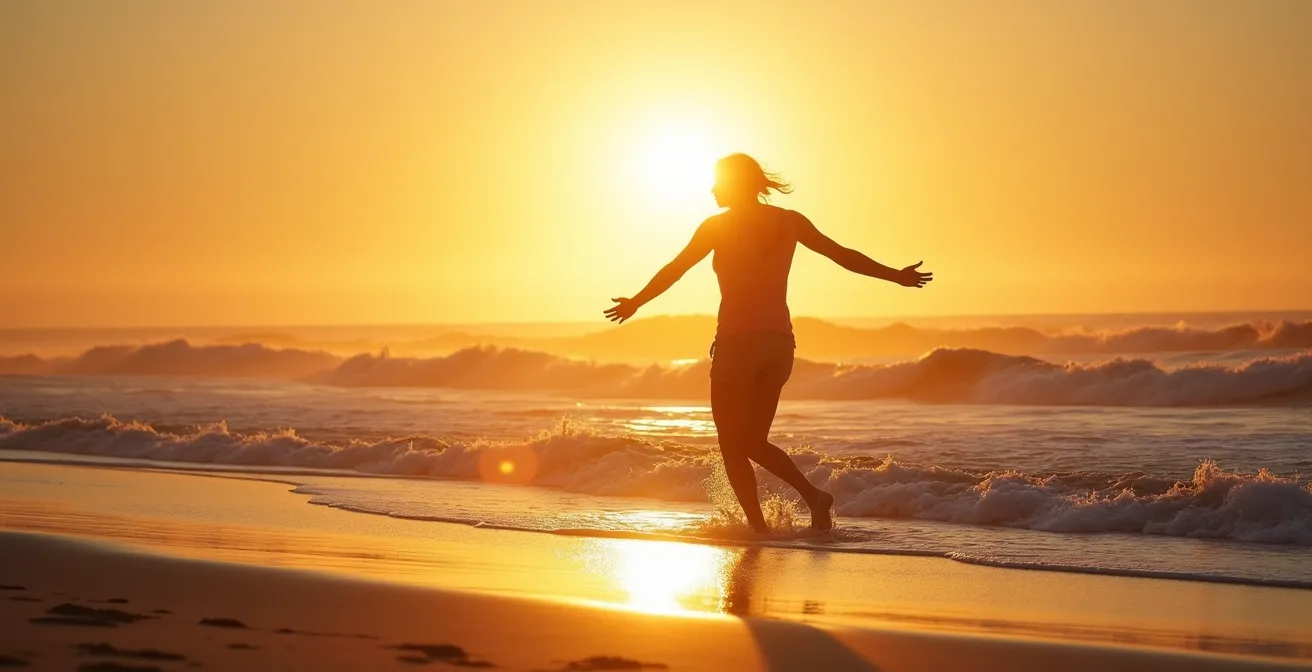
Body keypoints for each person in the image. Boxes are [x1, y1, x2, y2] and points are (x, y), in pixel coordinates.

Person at [604, 154, 933, 532]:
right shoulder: (789, 221)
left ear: (736, 184)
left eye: (718, 182)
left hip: (737, 344)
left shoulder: (716, 227)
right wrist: (896, 277)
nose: (712, 190)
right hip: (779, 345)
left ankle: (758, 529)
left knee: (733, 445)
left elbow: (675, 270)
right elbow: (842, 256)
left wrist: (636, 302)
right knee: (754, 443)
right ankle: (814, 498)